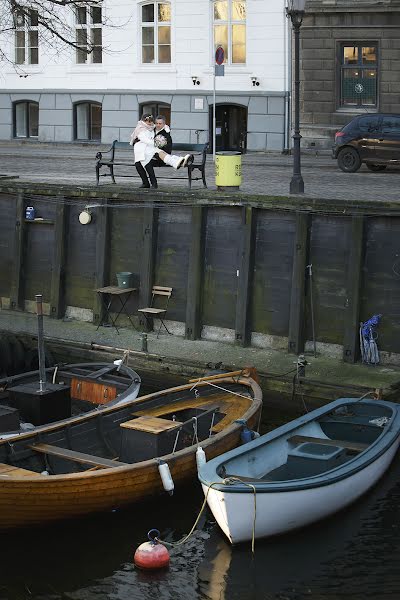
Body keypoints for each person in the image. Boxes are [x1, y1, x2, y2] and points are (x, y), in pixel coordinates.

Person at [131, 114, 192, 188]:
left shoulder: (166, 134)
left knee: (147, 163)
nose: (158, 125)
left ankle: (154, 184)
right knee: (138, 163)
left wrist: (156, 149)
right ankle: (145, 183)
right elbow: (145, 134)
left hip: (160, 158)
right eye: (156, 123)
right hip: (152, 154)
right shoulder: (151, 129)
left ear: (164, 124)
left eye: (160, 123)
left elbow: (166, 149)